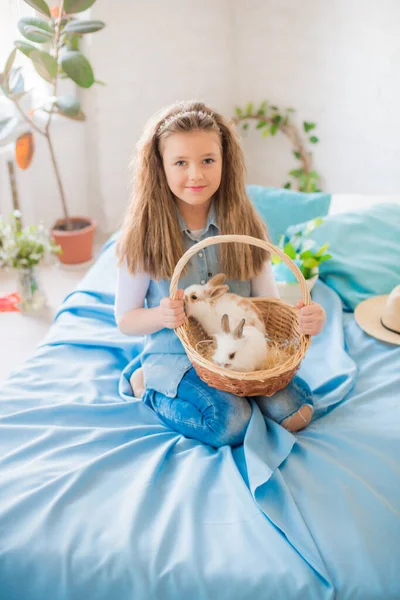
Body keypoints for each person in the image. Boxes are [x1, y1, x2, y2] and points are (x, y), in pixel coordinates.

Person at [115, 100, 326, 448]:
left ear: (225, 163)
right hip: (177, 356)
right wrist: (161, 315)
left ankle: (240, 392)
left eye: (207, 160)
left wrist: (304, 317)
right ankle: (146, 385)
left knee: (296, 412)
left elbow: (268, 304)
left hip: (239, 350)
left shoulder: (245, 226)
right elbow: (125, 320)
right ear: (160, 167)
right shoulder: (143, 235)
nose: (195, 174)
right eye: (180, 162)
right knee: (230, 425)